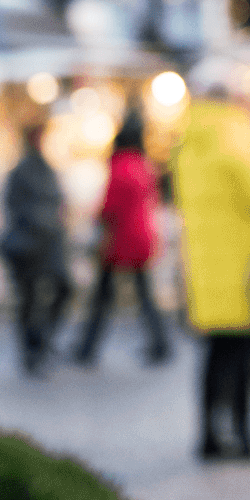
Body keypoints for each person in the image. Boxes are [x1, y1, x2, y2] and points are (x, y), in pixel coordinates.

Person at [173, 65, 250, 459]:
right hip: (241, 262)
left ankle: (206, 434)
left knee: (213, 353)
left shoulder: (188, 138)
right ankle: (242, 434)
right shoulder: (235, 133)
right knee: (242, 352)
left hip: (203, 265)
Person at [71, 108, 170, 365]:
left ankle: (87, 348)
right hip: (142, 237)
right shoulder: (143, 165)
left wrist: (96, 219)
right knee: (144, 294)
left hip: (119, 239)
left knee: (103, 296)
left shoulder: (120, 165)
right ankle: (160, 342)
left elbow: (110, 207)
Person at [0, 121, 72, 375]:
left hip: (49, 242)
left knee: (60, 289)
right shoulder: (22, 171)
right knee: (28, 299)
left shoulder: (45, 168)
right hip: (30, 243)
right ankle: (31, 350)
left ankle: (41, 340)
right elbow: (13, 205)